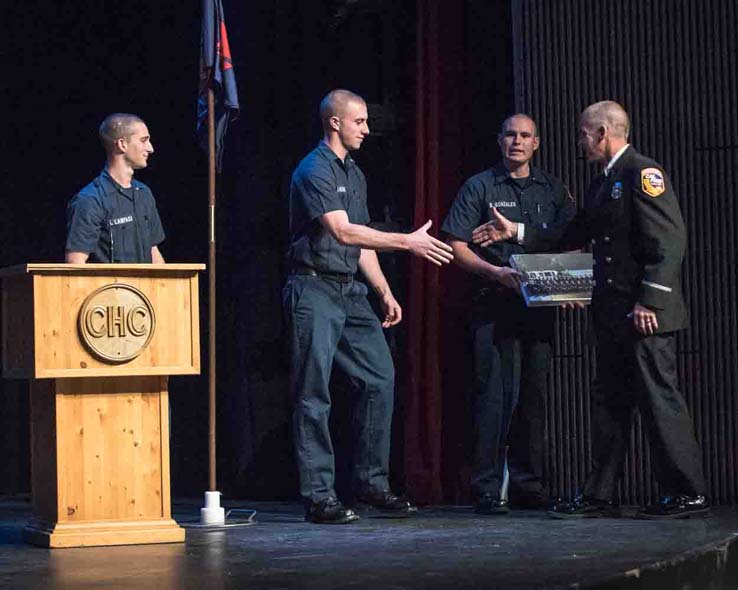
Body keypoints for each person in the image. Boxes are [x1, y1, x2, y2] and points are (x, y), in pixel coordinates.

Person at [472, 101, 708, 519]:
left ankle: (687, 490)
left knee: (658, 400)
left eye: (583, 133)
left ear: (602, 133)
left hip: (644, 313)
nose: (579, 141)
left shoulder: (641, 173)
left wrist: (649, 300)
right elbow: (573, 231)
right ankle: (600, 493)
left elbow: (670, 241)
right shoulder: (603, 183)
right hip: (613, 315)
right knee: (608, 405)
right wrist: (517, 231)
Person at [283, 89, 454, 524]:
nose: (366, 129)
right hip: (314, 288)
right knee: (313, 392)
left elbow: (360, 241)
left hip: (350, 290)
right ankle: (319, 495)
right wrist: (407, 242)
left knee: (380, 378)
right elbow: (342, 232)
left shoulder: (354, 174)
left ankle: (371, 483)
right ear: (335, 123)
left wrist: (384, 292)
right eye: (359, 121)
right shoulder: (313, 169)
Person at [441, 114, 576, 514]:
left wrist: (566, 282)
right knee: (494, 397)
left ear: (536, 143)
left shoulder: (552, 189)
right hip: (491, 302)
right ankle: (485, 486)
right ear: (500, 140)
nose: (517, 141)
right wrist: (494, 272)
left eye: (525, 136)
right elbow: (456, 245)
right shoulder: (479, 186)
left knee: (533, 397)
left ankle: (527, 484)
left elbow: (572, 240)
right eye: (510, 135)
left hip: (538, 308)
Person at [66, 113, 165, 264]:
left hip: (143, 288)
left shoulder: (144, 194)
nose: (150, 148)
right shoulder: (91, 200)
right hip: (109, 287)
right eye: (143, 140)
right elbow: (75, 264)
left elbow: (153, 252)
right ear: (122, 144)